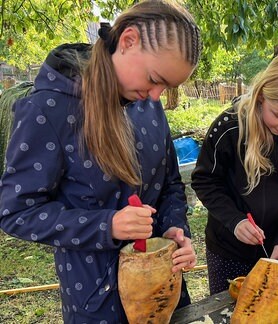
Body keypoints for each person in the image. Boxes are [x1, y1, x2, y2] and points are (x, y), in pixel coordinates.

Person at [0, 1, 202, 322]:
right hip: (97, 302)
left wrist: (175, 229)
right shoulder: (49, 109)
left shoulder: (148, 105)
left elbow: (170, 186)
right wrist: (107, 226)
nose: (155, 96)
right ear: (128, 41)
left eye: (167, 87)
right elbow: (17, 212)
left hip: (164, 293)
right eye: (154, 78)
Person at [191, 49, 278, 295]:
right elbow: (204, 181)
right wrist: (235, 221)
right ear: (262, 96)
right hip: (228, 249)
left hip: (276, 250)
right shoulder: (229, 127)